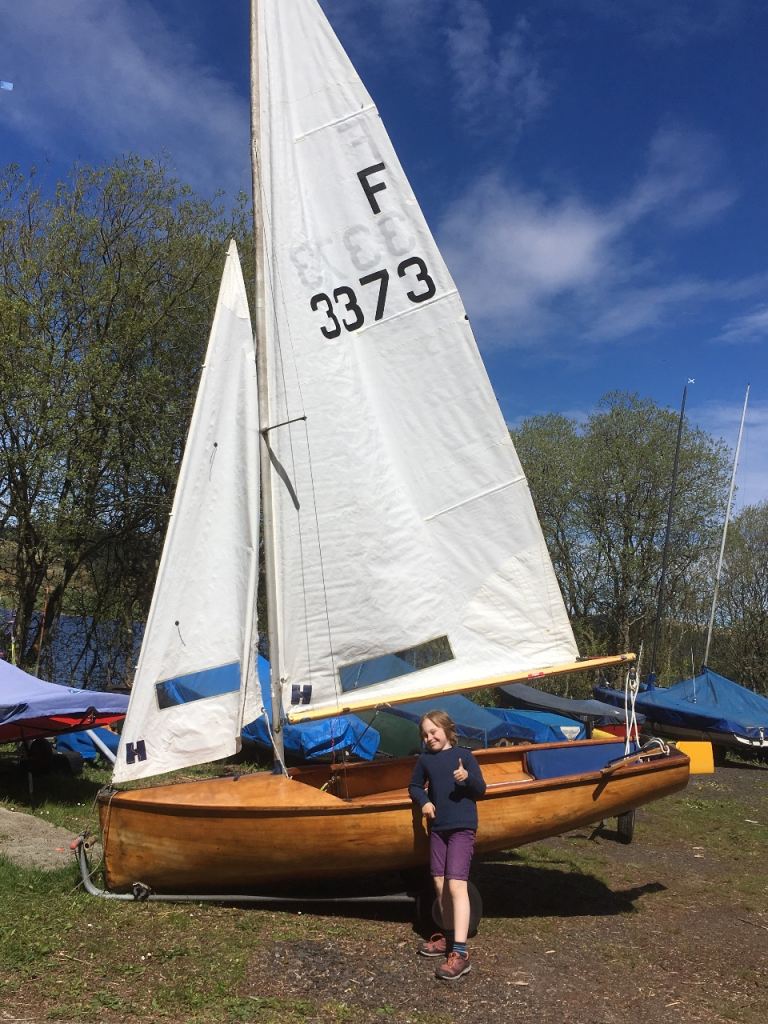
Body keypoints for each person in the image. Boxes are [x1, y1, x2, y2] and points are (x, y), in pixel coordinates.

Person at [408, 709, 486, 980]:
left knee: (456, 885)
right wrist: (425, 802)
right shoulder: (425, 760)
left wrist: (467, 779)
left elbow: (481, 789)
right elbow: (414, 786)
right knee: (440, 884)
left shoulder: (464, 756)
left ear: (447, 729)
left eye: (434, 731)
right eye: (425, 734)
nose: (430, 738)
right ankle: (450, 939)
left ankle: (461, 954)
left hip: (462, 828)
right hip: (438, 829)